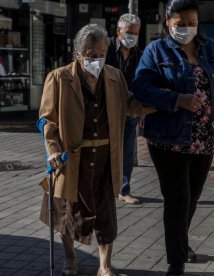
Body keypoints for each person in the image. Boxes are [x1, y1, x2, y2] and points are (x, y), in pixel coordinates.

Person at [132, 0, 214, 275]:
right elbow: (141, 87)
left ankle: (181, 245)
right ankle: (175, 262)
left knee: (192, 198)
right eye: (180, 25)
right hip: (169, 138)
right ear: (168, 22)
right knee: (177, 199)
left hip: (204, 137)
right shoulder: (156, 51)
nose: (187, 29)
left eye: (192, 23)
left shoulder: (211, 49)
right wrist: (177, 99)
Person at [39, 24, 153, 276]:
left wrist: (160, 101)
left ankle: (104, 266)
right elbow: (47, 120)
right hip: (72, 159)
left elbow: (131, 105)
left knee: (106, 214)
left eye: (101, 53)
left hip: (104, 158)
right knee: (68, 213)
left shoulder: (114, 77)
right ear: (78, 54)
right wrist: (53, 149)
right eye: (91, 55)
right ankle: (70, 260)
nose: (97, 60)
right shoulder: (58, 78)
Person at [106, 13, 143, 205]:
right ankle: (104, 188)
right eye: (129, 32)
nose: (132, 36)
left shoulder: (139, 53)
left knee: (128, 150)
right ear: (119, 31)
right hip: (107, 108)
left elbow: (142, 81)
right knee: (105, 147)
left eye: (136, 33)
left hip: (130, 109)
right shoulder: (106, 47)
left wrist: (140, 108)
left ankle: (124, 190)